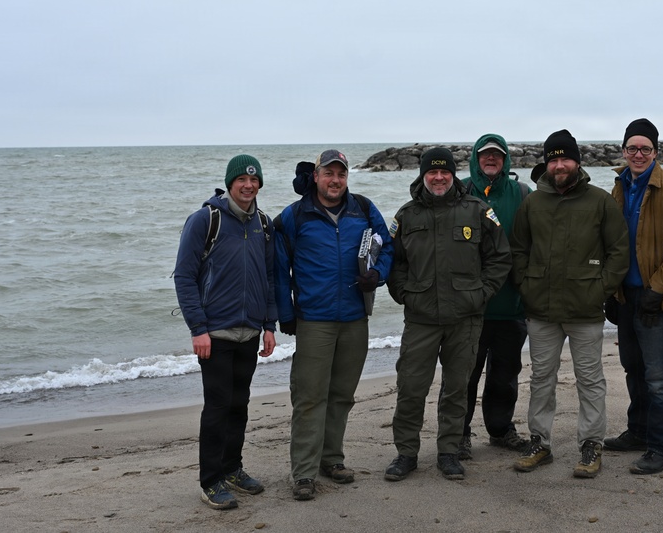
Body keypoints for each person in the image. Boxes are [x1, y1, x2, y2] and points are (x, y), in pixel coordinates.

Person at [384, 147, 512, 482]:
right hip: (421, 319)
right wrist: (404, 294)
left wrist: (481, 294)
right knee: (411, 387)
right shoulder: (407, 216)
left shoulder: (478, 211)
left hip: (465, 319)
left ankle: (449, 452)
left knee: (456, 388)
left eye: (444, 172)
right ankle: (406, 454)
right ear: (423, 175)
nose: (438, 178)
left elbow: (500, 258)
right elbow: (393, 264)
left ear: (453, 174)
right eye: (432, 172)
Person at [274, 149, 394, 501]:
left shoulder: (364, 208)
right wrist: (285, 314)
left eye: (341, 174)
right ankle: (304, 474)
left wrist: (378, 275)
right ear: (316, 176)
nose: (335, 180)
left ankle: (332, 459)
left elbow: (387, 248)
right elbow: (281, 269)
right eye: (329, 173)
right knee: (309, 398)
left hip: (356, 319)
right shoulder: (295, 215)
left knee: (341, 395)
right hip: (315, 320)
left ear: (347, 177)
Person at [509, 129, 629, 478]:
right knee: (541, 379)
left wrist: (599, 290)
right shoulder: (532, 202)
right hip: (541, 311)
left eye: (565, 158)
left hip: (585, 310)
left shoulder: (600, 201)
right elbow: (518, 250)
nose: (559, 165)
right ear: (546, 163)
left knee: (590, 380)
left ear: (577, 161)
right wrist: (527, 287)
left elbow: (618, 252)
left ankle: (591, 445)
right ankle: (539, 443)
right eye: (553, 159)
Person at [174, 154, 278, 510]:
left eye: (254, 181)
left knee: (240, 405)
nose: (248, 186)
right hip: (214, 335)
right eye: (242, 180)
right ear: (231, 182)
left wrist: (269, 325)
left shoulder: (263, 224)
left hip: (250, 332)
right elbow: (185, 277)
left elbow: (269, 278)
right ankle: (211, 480)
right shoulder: (206, 219)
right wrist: (198, 329)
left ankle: (233, 469)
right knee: (217, 407)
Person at [603, 118, 663, 475]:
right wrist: (612, 292)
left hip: (658, 297)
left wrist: (657, 290)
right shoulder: (619, 186)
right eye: (632, 148)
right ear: (623, 151)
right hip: (626, 296)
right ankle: (638, 433)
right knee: (633, 369)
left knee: (659, 377)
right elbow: (614, 243)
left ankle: (662, 448)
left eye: (645, 148)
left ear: (656, 152)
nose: (638, 154)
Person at [458, 134, 532, 458]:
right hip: (470, 307)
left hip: (511, 305)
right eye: (485, 154)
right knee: (464, 375)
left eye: (497, 156)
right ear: (475, 157)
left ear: (505, 161)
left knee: (505, 375)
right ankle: (458, 434)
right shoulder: (459, 190)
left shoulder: (522, 193)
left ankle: (500, 430)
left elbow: (536, 242)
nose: (491, 159)